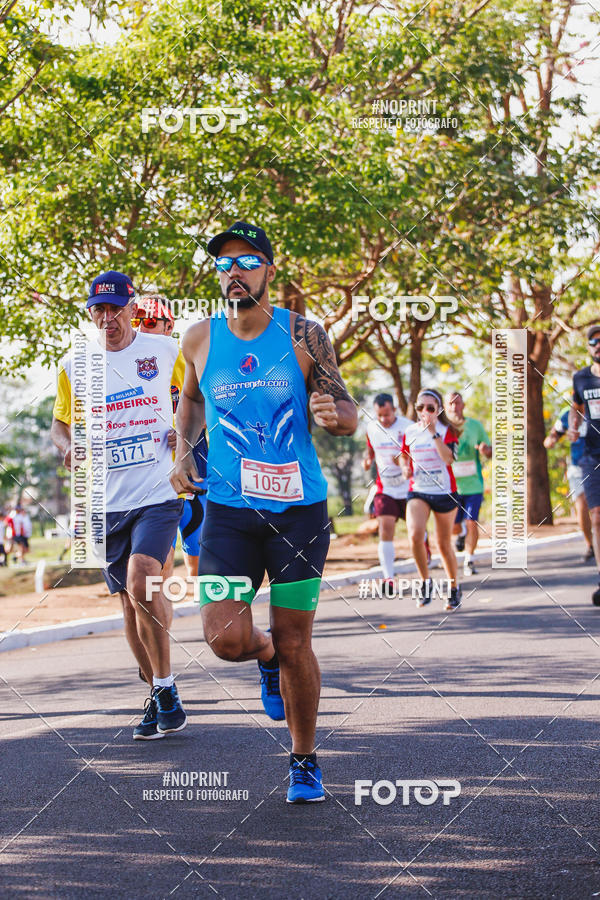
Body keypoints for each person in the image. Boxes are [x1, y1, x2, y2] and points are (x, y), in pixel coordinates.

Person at [171, 220, 357, 803]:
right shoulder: (198, 338)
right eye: (224, 263)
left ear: (269, 270)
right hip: (227, 512)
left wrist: (335, 415)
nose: (234, 272)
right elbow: (190, 400)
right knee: (224, 639)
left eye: (246, 260)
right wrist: (181, 452)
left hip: (299, 511)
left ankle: (304, 760)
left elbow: (347, 409)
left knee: (297, 638)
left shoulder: (304, 334)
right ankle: (265, 655)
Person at [50, 270, 187, 740]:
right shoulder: (75, 364)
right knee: (129, 607)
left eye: (115, 308)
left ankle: (166, 686)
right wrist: (66, 446)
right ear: (91, 313)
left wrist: (187, 433)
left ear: (133, 307)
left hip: (159, 490)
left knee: (142, 580)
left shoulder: (165, 351)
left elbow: (199, 399)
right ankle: (155, 692)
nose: (107, 318)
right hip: (106, 500)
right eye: (98, 310)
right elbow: (59, 424)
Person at [135, 295, 208, 579]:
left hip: (193, 469)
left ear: (169, 326)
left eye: (151, 321)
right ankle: (158, 623)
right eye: (137, 321)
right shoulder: (123, 364)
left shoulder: (184, 358)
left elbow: (208, 406)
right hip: (150, 477)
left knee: (199, 567)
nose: (142, 327)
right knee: (157, 566)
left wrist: (188, 434)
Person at [398, 388, 461, 610]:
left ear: (439, 410)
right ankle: (425, 582)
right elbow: (403, 455)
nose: (424, 411)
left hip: (444, 493)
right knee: (415, 535)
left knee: (443, 544)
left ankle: (453, 588)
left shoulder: (446, 430)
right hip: (418, 490)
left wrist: (434, 433)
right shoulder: (410, 431)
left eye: (430, 408)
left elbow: (449, 459)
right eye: (420, 407)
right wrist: (405, 467)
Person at [363, 393, 431, 591]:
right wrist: (366, 461)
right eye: (379, 415)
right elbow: (369, 451)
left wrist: (405, 462)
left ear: (394, 410)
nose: (383, 419)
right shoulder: (371, 428)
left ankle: (424, 551)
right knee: (385, 529)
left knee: (415, 532)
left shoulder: (408, 427)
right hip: (386, 488)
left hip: (409, 487)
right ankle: (388, 578)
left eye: (387, 414)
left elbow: (420, 452)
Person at [444, 391, 492, 576]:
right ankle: (461, 532)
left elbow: (488, 450)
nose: (455, 407)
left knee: (472, 522)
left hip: (474, 485)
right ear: (445, 408)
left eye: (458, 403)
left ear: (463, 405)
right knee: (454, 527)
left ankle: (469, 560)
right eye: (451, 404)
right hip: (452, 486)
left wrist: (486, 450)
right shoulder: (443, 429)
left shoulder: (475, 426)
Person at [569, 324, 600, 605]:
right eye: (594, 341)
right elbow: (575, 407)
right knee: (597, 517)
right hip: (592, 455)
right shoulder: (580, 378)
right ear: (589, 347)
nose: (598, 345)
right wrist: (573, 425)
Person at [544, 409, 593, 563]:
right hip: (577, 466)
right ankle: (590, 545)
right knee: (581, 503)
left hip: (596, 464)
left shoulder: (595, 407)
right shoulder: (568, 414)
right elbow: (553, 436)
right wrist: (551, 440)